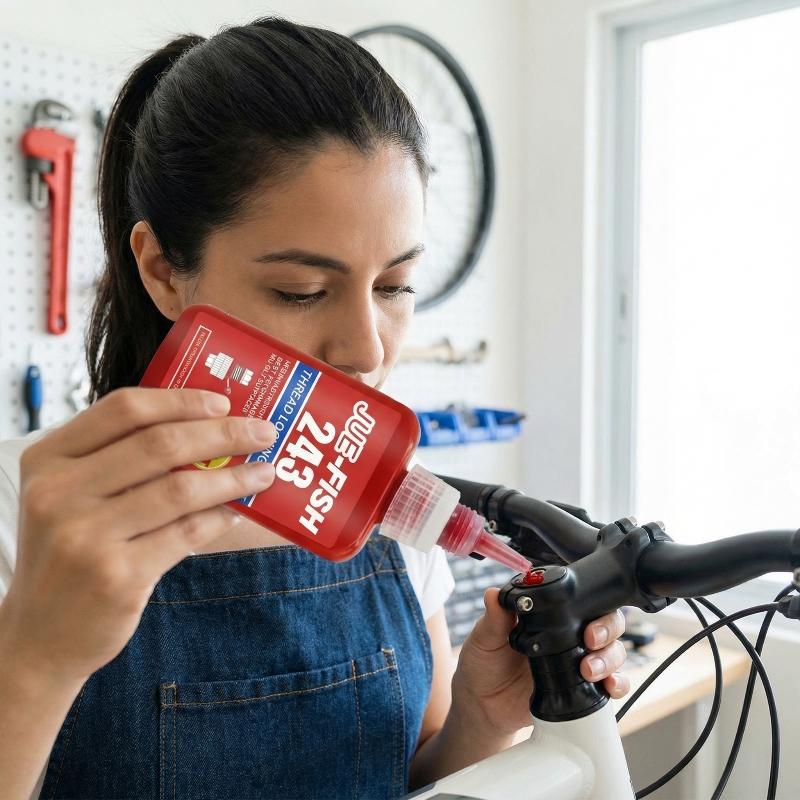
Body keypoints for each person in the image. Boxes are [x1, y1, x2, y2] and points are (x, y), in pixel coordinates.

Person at [0, 17, 629, 800]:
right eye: (300, 291)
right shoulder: (26, 508)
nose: (366, 348)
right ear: (162, 271)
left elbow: (411, 775)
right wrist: (37, 658)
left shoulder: (389, 507)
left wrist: (482, 718)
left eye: (395, 285)